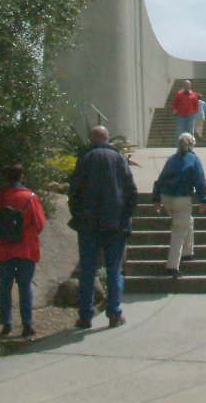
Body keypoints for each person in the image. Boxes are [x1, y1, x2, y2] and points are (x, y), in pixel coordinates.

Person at [68, 125, 138, 329]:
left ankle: (85, 315)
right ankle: (114, 313)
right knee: (114, 268)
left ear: (91, 140)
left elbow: (74, 192)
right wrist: (125, 216)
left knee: (88, 270)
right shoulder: (119, 159)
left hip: (88, 224)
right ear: (107, 139)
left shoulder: (85, 159)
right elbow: (131, 192)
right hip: (115, 224)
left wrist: (78, 216)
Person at [0, 163, 46, 337]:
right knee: (25, 285)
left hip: (4, 247)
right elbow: (40, 223)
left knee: (4, 286)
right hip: (26, 248)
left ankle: (6, 323)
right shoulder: (31, 197)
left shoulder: (0, 197)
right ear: (21, 176)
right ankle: (27, 324)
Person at [152, 132, 206, 277]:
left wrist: (156, 199)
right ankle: (172, 266)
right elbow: (200, 181)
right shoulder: (194, 159)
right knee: (178, 231)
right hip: (182, 198)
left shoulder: (171, 159)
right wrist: (203, 199)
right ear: (192, 145)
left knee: (187, 221)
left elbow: (160, 179)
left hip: (166, 197)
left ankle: (188, 252)